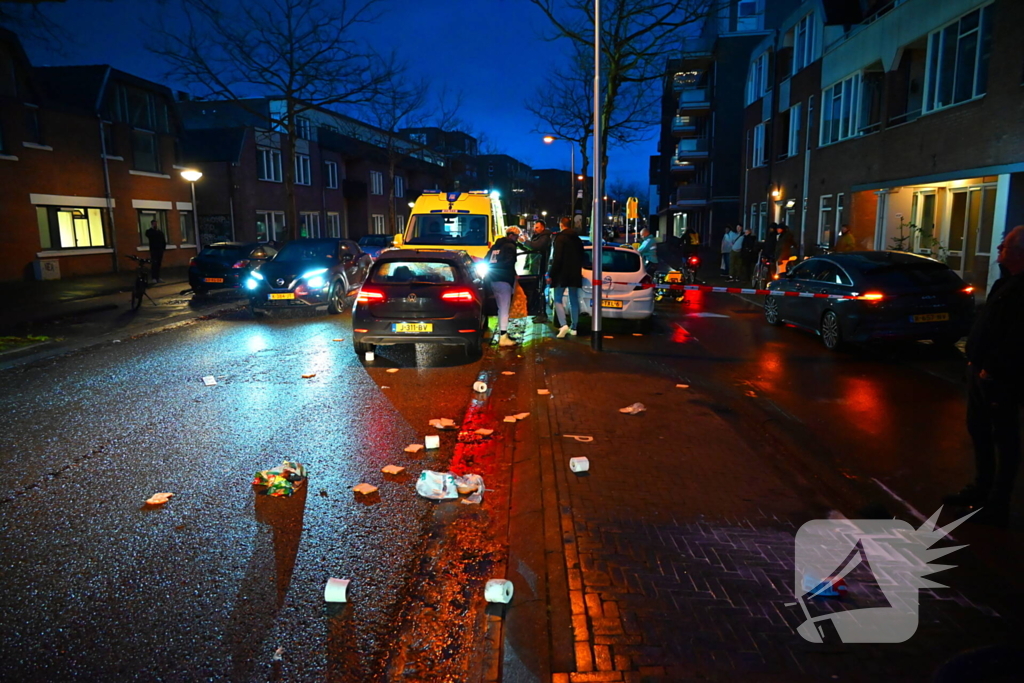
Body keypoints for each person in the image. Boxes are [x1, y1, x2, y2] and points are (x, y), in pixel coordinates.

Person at [944, 225, 1024, 526]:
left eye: (1004, 247)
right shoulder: (1004, 285)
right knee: (979, 431)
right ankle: (981, 487)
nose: (998, 251)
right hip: (981, 373)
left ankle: (997, 503)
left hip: (1001, 379)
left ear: (1018, 253)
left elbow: (1015, 338)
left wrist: (993, 368)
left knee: (1004, 438)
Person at [548, 216, 585, 339]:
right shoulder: (578, 240)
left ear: (561, 225)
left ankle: (563, 324)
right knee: (573, 299)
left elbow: (557, 258)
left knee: (558, 299)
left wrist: (551, 273)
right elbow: (582, 257)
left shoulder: (560, 238)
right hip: (574, 273)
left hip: (562, 274)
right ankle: (574, 327)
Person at [486, 226, 522, 347]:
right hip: (504, 280)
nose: (517, 239)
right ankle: (503, 336)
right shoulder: (510, 246)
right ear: (512, 235)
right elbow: (510, 262)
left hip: (493, 280)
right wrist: (512, 274)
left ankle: (503, 333)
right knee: (504, 308)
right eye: (516, 237)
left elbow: (487, 260)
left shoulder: (496, 246)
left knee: (500, 306)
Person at [527, 219, 553, 323]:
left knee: (540, 291)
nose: (535, 229)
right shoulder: (539, 237)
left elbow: (536, 246)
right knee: (538, 290)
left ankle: (542, 313)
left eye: (537, 227)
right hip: (538, 268)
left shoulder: (545, 237)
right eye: (534, 227)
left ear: (542, 227)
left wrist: (525, 241)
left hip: (542, 267)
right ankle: (539, 312)